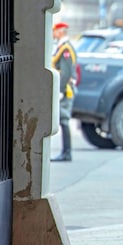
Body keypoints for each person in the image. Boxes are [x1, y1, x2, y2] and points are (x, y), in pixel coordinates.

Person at [51, 22, 78, 162]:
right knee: (62, 120)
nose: (53, 33)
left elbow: (66, 72)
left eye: (54, 31)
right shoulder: (62, 47)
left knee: (64, 119)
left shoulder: (66, 48)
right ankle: (65, 152)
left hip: (66, 89)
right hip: (63, 88)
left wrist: (60, 90)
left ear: (60, 31)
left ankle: (67, 152)